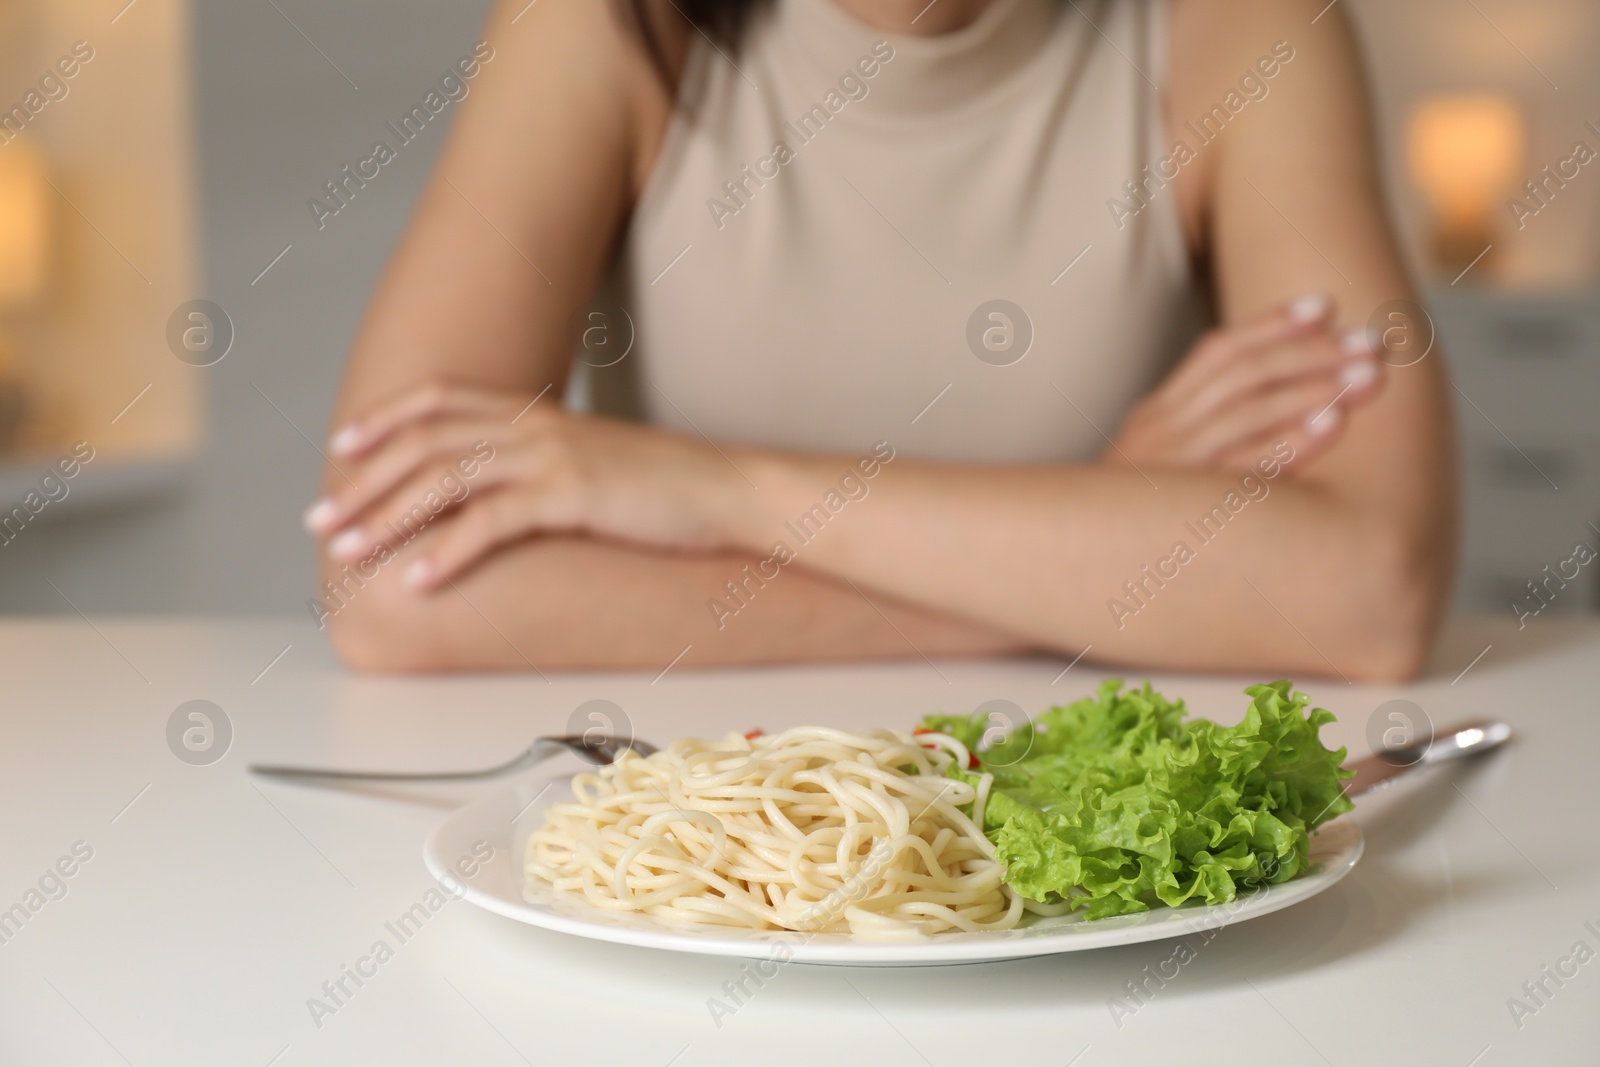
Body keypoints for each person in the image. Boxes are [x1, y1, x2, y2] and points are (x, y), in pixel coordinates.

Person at [305, 0, 1456, 680]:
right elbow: (391, 581)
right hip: (707, 805)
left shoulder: (1242, 28)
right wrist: (1100, 550)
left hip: (1065, 799)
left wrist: (725, 492)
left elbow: (1366, 593)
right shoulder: (601, 25)